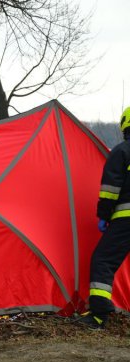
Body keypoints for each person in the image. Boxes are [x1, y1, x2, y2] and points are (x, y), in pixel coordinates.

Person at [77, 107, 130, 329]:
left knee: (103, 261)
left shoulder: (122, 151)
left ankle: (99, 315)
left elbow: (110, 189)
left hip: (126, 219)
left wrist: (103, 216)